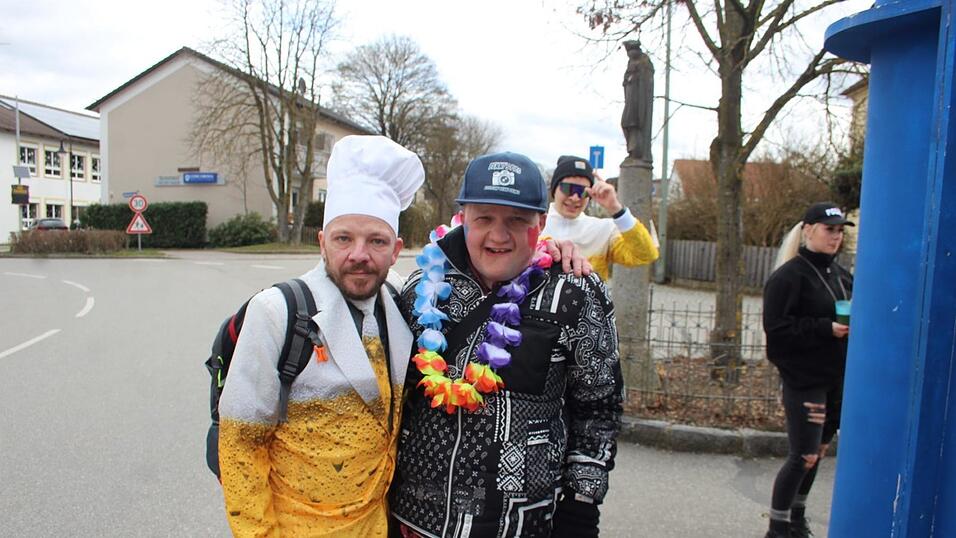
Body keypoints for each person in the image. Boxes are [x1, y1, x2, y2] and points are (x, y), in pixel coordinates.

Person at [389, 151, 623, 538]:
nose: (499, 236)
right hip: (414, 524)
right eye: (484, 218)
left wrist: (581, 508)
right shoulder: (421, 289)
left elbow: (599, 410)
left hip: (522, 527)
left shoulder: (575, 294)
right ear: (463, 218)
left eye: (516, 220)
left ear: (541, 224)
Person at [217, 135, 423, 536]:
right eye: (344, 238)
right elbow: (241, 444)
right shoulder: (276, 311)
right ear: (322, 242)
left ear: (396, 250)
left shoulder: (401, 301)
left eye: (376, 241)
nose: (359, 254)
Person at [762, 201, 855, 538]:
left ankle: (797, 520)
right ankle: (778, 528)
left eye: (840, 231)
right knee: (803, 455)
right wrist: (824, 328)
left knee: (819, 453)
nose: (836, 236)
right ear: (808, 230)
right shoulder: (788, 277)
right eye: (829, 229)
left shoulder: (842, 276)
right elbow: (777, 332)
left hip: (836, 380)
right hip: (804, 380)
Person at [541, 155, 658, 282]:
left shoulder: (604, 230)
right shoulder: (534, 226)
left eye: (583, 191)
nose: (575, 198)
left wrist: (616, 209)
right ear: (554, 190)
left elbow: (646, 254)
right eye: (568, 188)